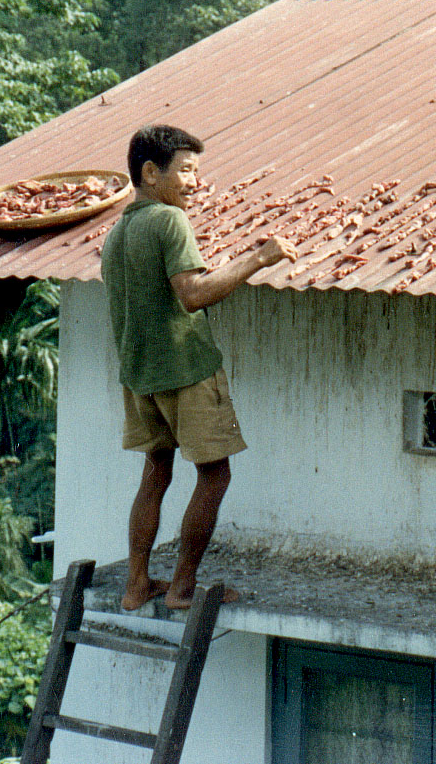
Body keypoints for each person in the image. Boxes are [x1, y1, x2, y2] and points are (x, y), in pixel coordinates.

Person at [100, 124, 297, 610]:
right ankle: (184, 588)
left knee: (156, 472)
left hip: (139, 375)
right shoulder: (169, 221)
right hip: (186, 369)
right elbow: (193, 294)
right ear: (150, 173)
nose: (194, 182)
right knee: (215, 476)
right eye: (185, 171)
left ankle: (137, 585)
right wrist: (259, 258)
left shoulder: (117, 233)